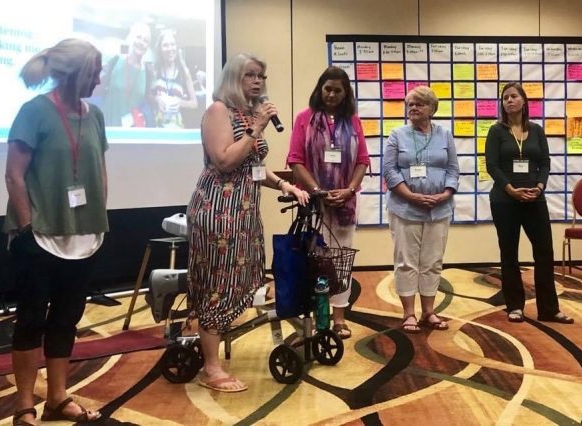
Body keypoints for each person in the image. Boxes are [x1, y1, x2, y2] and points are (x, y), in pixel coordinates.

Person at [186, 53, 309, 392]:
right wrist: (257, 127)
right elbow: (225, 161)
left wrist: (284, 184)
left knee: (236, 280)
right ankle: (210, 368)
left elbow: (252, 164)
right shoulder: (218, 111)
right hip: (218, 210)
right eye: (249, 75)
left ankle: (207, 346)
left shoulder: (247, 114)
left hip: (244, 212)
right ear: (232, 79)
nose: (257, 82)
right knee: (217, 285)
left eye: (261, 76)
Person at [4, 38, 107, 425]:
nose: (99, 80)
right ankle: (24, 405)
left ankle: (58, 398)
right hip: (39, 235)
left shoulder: (94, 115)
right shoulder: (34, 112)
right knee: (31, 320)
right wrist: (28, 227)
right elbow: (14, 175)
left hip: (83, 237)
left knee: (67, 319)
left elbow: (98, 170)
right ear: (78, 74)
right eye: (95, 73)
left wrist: (98, 217)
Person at [288, 66, 370, 339]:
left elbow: (362, 162)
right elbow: (295, 160)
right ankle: (317, 316)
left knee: (341, 260)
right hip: (313, 205)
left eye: (338, 90)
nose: (332, 94)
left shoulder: (353, 121)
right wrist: (318, 191)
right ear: (319, 89)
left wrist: (348, 190)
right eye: (327, 89)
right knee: (317, 261)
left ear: (346, 93)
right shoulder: (304, 118)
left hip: (344, 204)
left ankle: (339, 318)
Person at [485, 82, 574, 324]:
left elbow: (545, 162)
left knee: (544, 253)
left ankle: (549, 309)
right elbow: (491, 165)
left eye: (514, 96)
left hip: (535, 199)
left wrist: (540, 186)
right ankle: (514, 306)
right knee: (509, 253)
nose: (509, 101)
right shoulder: (496, 131)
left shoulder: (536, 130)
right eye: (505, 98)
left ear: (524, 101)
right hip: (505, 200)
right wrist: (511, 189)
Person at [382, 87, 460, 333]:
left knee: (433, 261)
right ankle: (409, 314)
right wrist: (412, 196)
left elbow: (453, 170)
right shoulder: (397, 135)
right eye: (410, 104)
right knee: (406, 261)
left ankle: (429, 311)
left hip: (439, 209)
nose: (413, 108)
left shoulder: (445, 135)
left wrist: (445, 194)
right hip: (405, 208)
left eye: (419, 104)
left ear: (432, 109)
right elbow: (390, 171)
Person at [101, 22, 151, 127]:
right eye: (138, 37)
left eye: (145, 40)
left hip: (133, 128)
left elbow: (147, 100)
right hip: (108, 122)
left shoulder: (147, 71)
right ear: (130, 38)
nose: (141, 42)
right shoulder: (114, 60)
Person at [148, 29, 198, 128]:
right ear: (160, 49)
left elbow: (194, 103)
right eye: (165, 45)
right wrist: (157, 99)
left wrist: (180, 102)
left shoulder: (184, 72)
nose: (170, 48)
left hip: (177, 128)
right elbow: (147, 97)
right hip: (155, 126)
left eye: (173, 44)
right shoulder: (154, 70)